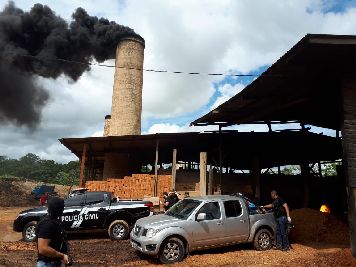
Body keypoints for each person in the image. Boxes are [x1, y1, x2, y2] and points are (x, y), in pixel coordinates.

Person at [36, 197, 70, 267]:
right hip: (47, 264)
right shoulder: (47, 224)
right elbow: (43, 249)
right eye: (62, 207)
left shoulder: (54, 221)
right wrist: (62, 255)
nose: (63, 209)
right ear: (57, 209)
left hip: (54, 262)